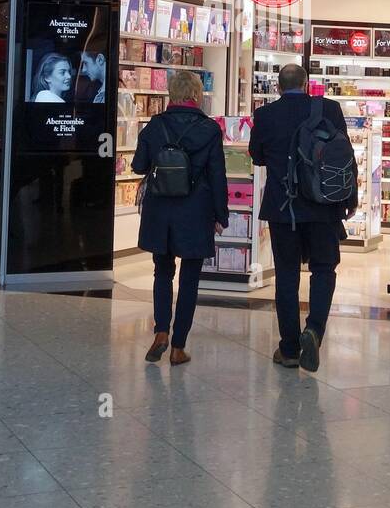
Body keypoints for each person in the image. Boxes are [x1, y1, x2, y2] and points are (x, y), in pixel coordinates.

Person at [249, 63, 354, 373]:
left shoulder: (266, 115)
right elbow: (342, 157)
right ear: (307, 84)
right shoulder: (330, 109)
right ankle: (315, 330)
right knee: (324, 269)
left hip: (284, 209)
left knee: (287, 275)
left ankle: (290, 348)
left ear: (278, 87)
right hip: (324, 206)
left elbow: (257, 156)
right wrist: (349, 199)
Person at [131, 70, 228, 366]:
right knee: (189, 280)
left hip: (159, 211)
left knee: (162, 273)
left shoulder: (154, 126)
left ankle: (161, 331)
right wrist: (220, 215)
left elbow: (138, 166)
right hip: (195, 211)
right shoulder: (210, 130)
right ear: (197, 95)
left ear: (170, 94)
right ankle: (178, 346)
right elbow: (217, 176)